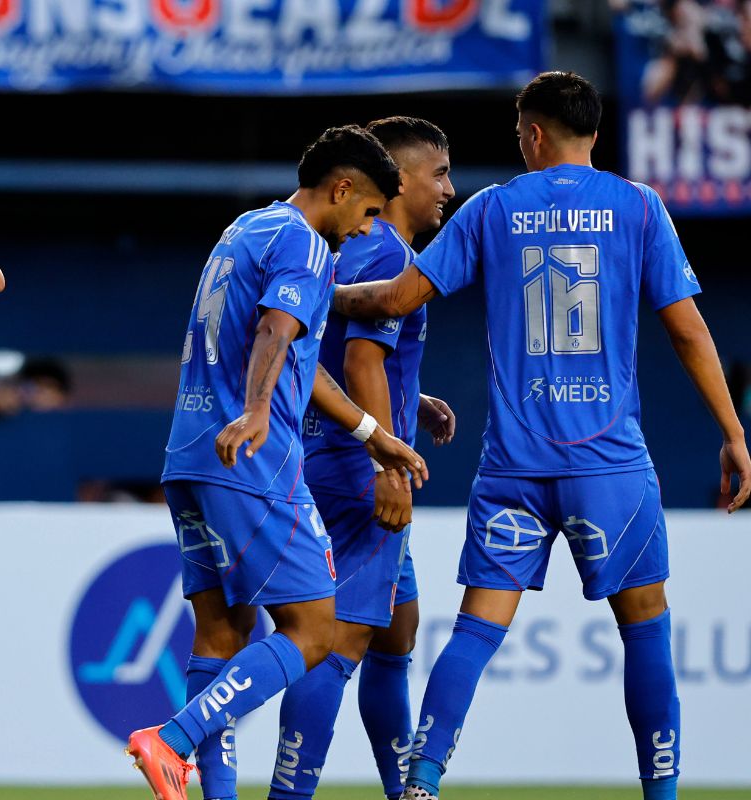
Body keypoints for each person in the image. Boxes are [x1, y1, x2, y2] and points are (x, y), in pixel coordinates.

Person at [330, 72, 751, 800]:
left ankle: (422, 784)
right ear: (592, 132)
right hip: (610, 466)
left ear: (532, 134)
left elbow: (395, 300)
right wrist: (733, 432)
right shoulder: (642, 209)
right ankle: (663, 793)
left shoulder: (494, 209)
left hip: (514, 470)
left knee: (473, 634)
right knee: (646, 631)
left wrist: (305, 289)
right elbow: (686, 329)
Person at [126, 124, 428, 800]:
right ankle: (170, 741)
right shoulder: (306, 243)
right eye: (370, 210)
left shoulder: (245, 230)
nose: (365, 228)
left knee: (222, 631)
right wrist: (260, 410)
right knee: (315, 628)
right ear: (341, 188)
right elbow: (276, 331)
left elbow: (299, 351)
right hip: (253, 457)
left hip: (190, 455)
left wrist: (370, 430)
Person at [261, 116, 458, 800]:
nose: (448, 189)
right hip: (357, 471)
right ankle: (290, 793)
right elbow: (360, 355)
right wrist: (387, 466)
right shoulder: (388, 254)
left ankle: (404, 789)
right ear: (399, 180)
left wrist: (416, 399)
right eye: (438, 173)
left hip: (324, 451)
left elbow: (335, 347)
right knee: (336, 647)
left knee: (395, 635)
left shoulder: (348, 244)